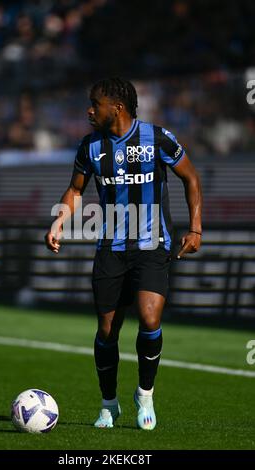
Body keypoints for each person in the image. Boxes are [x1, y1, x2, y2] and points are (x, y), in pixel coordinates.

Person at [45, 77, 202, 430]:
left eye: (94, 104)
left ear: (115, 107)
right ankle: (108, 404)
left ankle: (145, 395)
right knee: (107, 332)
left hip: (151, 247)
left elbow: (191, 178)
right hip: (111, 249)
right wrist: (58, 223)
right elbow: (75, 189)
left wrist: (195, 228)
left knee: (149, 318)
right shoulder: (90, 147)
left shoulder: (157, 138)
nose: (89, 110)